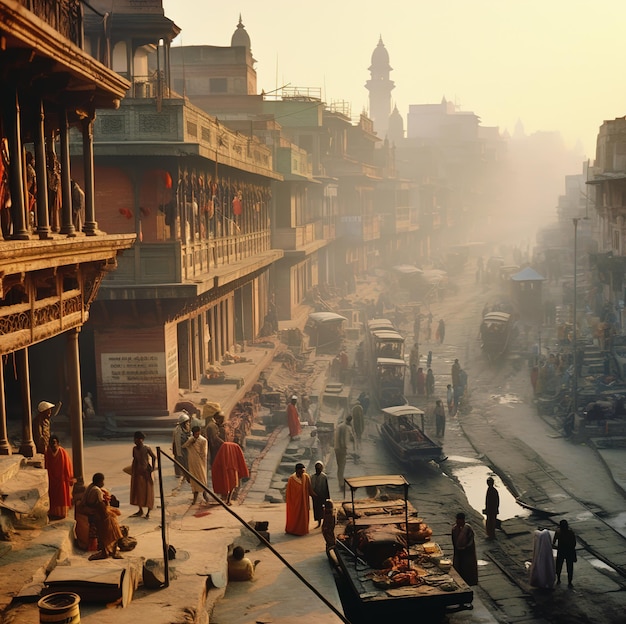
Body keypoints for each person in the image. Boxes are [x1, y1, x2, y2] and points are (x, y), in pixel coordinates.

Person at [80, 473, 123, 561]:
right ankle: (111, 551)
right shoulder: (96, 490)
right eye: (102, 481)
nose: (103, 483)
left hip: (95, 513)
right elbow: (101, 506)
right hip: (98, 514)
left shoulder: (91, 487)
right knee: (114, 529)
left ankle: (109, 551)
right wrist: (108, 512)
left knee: (110, 527)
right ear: (100, 481)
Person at [45, 435, 75, 520]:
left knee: (62, 497)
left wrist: (69, 478)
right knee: (53, 497)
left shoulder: (63, 452)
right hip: (51, 478)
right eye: (51, 442)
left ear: (58, 443)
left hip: (62, 479)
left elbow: (68, 466)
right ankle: (53, 513)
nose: (53, 444)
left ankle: (62, 513)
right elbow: (46, 466)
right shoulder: (47, 453)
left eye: (54, 442)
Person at [129, 431, 156, 519]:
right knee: (138, 491)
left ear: (142, 440)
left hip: (146, 473)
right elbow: (135, 460)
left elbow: (154, 457)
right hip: (138, 472)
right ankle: (140, 510)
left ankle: (148, 511)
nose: (136, 441)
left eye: (138, 439)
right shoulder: (134, 449)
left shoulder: (146, 448)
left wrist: (152, 467)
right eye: (135, 439)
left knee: (148, 491)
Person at [285, 463, 316, 536]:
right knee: (294, 517)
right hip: (294, 503)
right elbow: (289, 493)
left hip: (304, 502)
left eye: (303, 471)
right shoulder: (292, 479)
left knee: (303, 517)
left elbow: (309, 488)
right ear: (297, 470)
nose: (302, 472)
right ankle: (292, 530)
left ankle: (302, 530)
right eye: (301, 471)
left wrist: (315, 496)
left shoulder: (306, 476)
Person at [183, 426, 210, 504]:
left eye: (197, 433)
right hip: (192, 462)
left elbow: (204, 453)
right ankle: (195, 497)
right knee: (193, 479)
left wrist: (201, 461)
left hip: (200, 463)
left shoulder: (203, 440)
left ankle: (205, 495)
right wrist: (191, 441)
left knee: (202, 479)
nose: (196, 435)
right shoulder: (190, 439)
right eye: (195, 434)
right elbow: (184, 446)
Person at [451, 512, 478, 586]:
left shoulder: (468, 528)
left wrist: (465, 548)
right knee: (459, 566)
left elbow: (471, 540)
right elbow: (454, 540)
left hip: (467, 552)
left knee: (468, 567)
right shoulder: (454, 529)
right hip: (458, 551)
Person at [553, 519, 577, 587]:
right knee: (569, 567)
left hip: (561, 551)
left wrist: (557, 547)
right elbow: (574, 543)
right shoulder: (570, 532)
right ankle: (569, 582)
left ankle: (558, 579)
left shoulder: (558, 532)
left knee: (559, 566)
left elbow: (554, 542)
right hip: (569, 551)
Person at [334, 414, 354, 489]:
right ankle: (341, 485)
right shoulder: (345, 427)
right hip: (341, 449)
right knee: (341, 467)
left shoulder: (340, 426)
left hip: (337, 449)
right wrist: (344, 448)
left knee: (340, 467)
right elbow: (342, 440)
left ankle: (341, 483)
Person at [310, 461, 330, 528]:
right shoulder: (312, 477)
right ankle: (319, 523)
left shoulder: (324, 476)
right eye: (317, 468)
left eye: (319, 468)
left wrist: (327, 497)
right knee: (317, 510)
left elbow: (326, 488)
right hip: (315, 496)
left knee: (323, 510)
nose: (318, 469)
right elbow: (311, 486)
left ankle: (324, 523)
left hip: (322, 496)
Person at [172, 412, 192, 481]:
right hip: (181, 450)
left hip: (185, 450)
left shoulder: (185, 429)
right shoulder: (179, 432)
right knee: (182, 463)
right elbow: (183, 442)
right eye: (187, 423)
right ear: (184, 423)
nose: (188, 424)